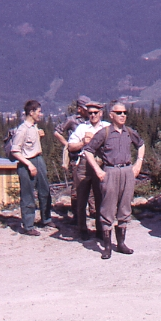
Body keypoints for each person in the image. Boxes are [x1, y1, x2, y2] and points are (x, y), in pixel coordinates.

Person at [84, 101, 145, 259]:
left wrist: (139, 162)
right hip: (110, 171)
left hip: (127, 171)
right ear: (111, 115)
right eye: (119, 113)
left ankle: (121, 244)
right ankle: (107, 247)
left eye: (125, 112)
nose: (123, 115)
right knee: (108, 209)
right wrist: (98, 170)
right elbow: (88, 151)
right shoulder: (104, 133)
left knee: (125, 208)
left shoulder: (129, 132)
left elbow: (141, 144)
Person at [67, 101, 109, 240]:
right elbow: (71, 146)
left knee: (100, 198)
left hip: (100, 163)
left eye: (95, 113)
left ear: (101, 113)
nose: (92, 115)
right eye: (90, 113)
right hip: (84, 163)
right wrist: (83, 143)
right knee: (81, 197)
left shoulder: (107, 127)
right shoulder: (81, 128)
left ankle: (100, 229)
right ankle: (82, 228)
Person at [11, 99, 53, 236]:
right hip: (26, 163)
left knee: (45, 190)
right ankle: (28, 225)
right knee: (28, 194)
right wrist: (29, 165)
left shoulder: (34, 127)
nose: (40, 115)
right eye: (39, 112)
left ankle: (46, 219)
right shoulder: (22, 130)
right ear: (31, 112)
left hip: (38, 159)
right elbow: (15, 151)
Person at [54, 95, 91, 220]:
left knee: (91, 185)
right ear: (80, 108)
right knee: (77, 187)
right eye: (86, 108)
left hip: (89, 156)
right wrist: (67, 145)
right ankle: (77, 215)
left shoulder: (91, 120)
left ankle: (93, 211)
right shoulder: (72, 120)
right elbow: (57, 132)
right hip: (76, 157)